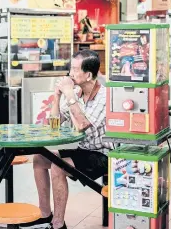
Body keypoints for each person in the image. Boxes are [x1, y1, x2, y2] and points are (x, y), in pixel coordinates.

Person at [24, 50, 113, 229]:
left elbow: (82, 125)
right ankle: (44, 213)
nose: (70, 73)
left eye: (74, 69)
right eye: (70, 68)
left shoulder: (105, 96)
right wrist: (57, 97)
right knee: (40, 159)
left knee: (58, 165)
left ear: (88, 75)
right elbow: (53, 126)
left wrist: (70, 95)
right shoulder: (78, 92)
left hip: (103, 154)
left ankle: (58, 224)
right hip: (84, 150)